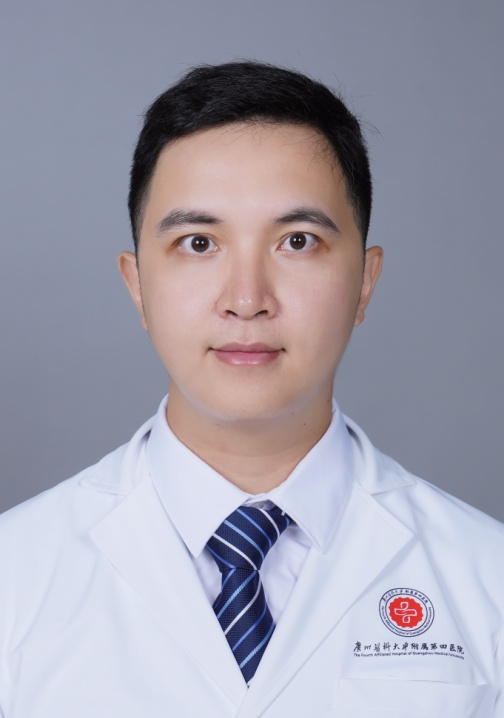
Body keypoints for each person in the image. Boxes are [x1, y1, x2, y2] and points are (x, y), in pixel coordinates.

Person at [0, 61, 502, 717]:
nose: (246, 299)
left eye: (297, 241)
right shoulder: (15, 576)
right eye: (198, 242)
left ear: (365, 282)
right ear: (138, 285)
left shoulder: (488, 578)